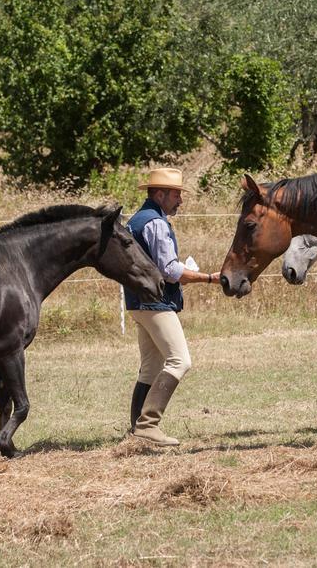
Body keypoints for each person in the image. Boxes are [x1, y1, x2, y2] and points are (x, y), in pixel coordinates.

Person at [123, 168, 220, 446]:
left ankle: (137, 430)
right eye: (177, 194)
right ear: (160, 193)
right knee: (180, 361)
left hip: (138, 302)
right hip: (156, 303)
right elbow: (170, 270)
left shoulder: (137, 220)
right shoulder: (156, 223)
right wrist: (209, 278)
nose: (180, 200)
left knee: (151, 368)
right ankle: (148, 424)